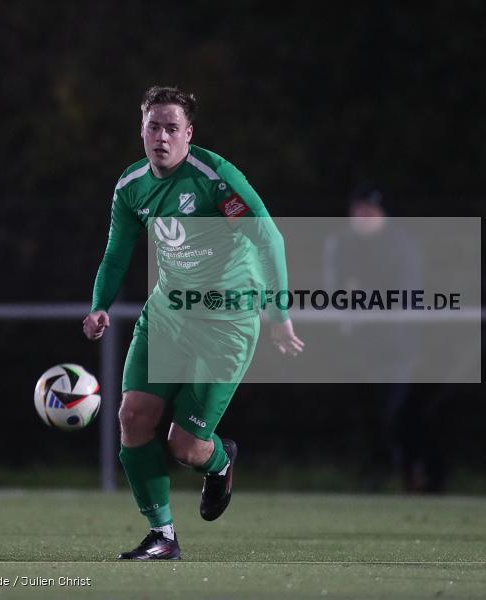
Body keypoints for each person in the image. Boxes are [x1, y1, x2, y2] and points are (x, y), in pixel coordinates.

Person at [83, 86, 303, 560]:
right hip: (167, 314)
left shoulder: (215, 181)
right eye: (152, 126)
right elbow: (117, 254)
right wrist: (101, 304)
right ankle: (162, 536)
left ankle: (219, 463)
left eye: (171, 128)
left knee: (185, 446)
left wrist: (279, 315)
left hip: (226, 323)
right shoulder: (132, 186)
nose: (161, 136)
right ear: (141, 130)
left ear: (188, 134)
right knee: (132, 417)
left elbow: (268, 240)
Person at [323, 183, 444, 492]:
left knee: (397, 415)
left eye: (370, 211)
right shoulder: (341, 244)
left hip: (396, 347)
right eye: (358, 210)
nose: (363, 217)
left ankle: (412, 475)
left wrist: (363, 295)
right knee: (366, 418)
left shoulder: (400, 245)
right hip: (356, 347)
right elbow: (337, 292)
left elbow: (403, 294)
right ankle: (377, 475)